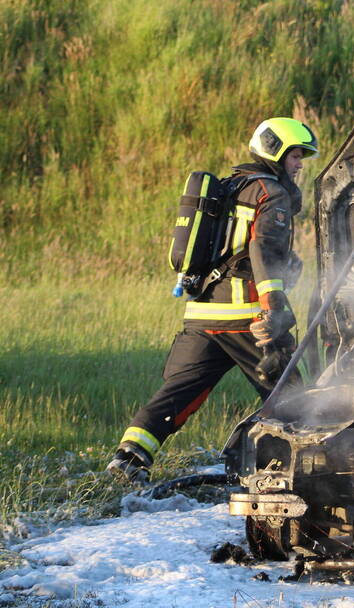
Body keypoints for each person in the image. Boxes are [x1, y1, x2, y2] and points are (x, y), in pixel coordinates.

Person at [107, 117, 319, 484]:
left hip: (202, 313)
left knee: (179, 392)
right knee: (290, 395)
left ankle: (129, 456)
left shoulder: (230, 186)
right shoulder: (270, 192)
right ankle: (310, 471)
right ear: (275, 151)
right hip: (246, 316)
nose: (299, 165)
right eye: (295, 156)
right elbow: (264, 249)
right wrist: (273, 307)